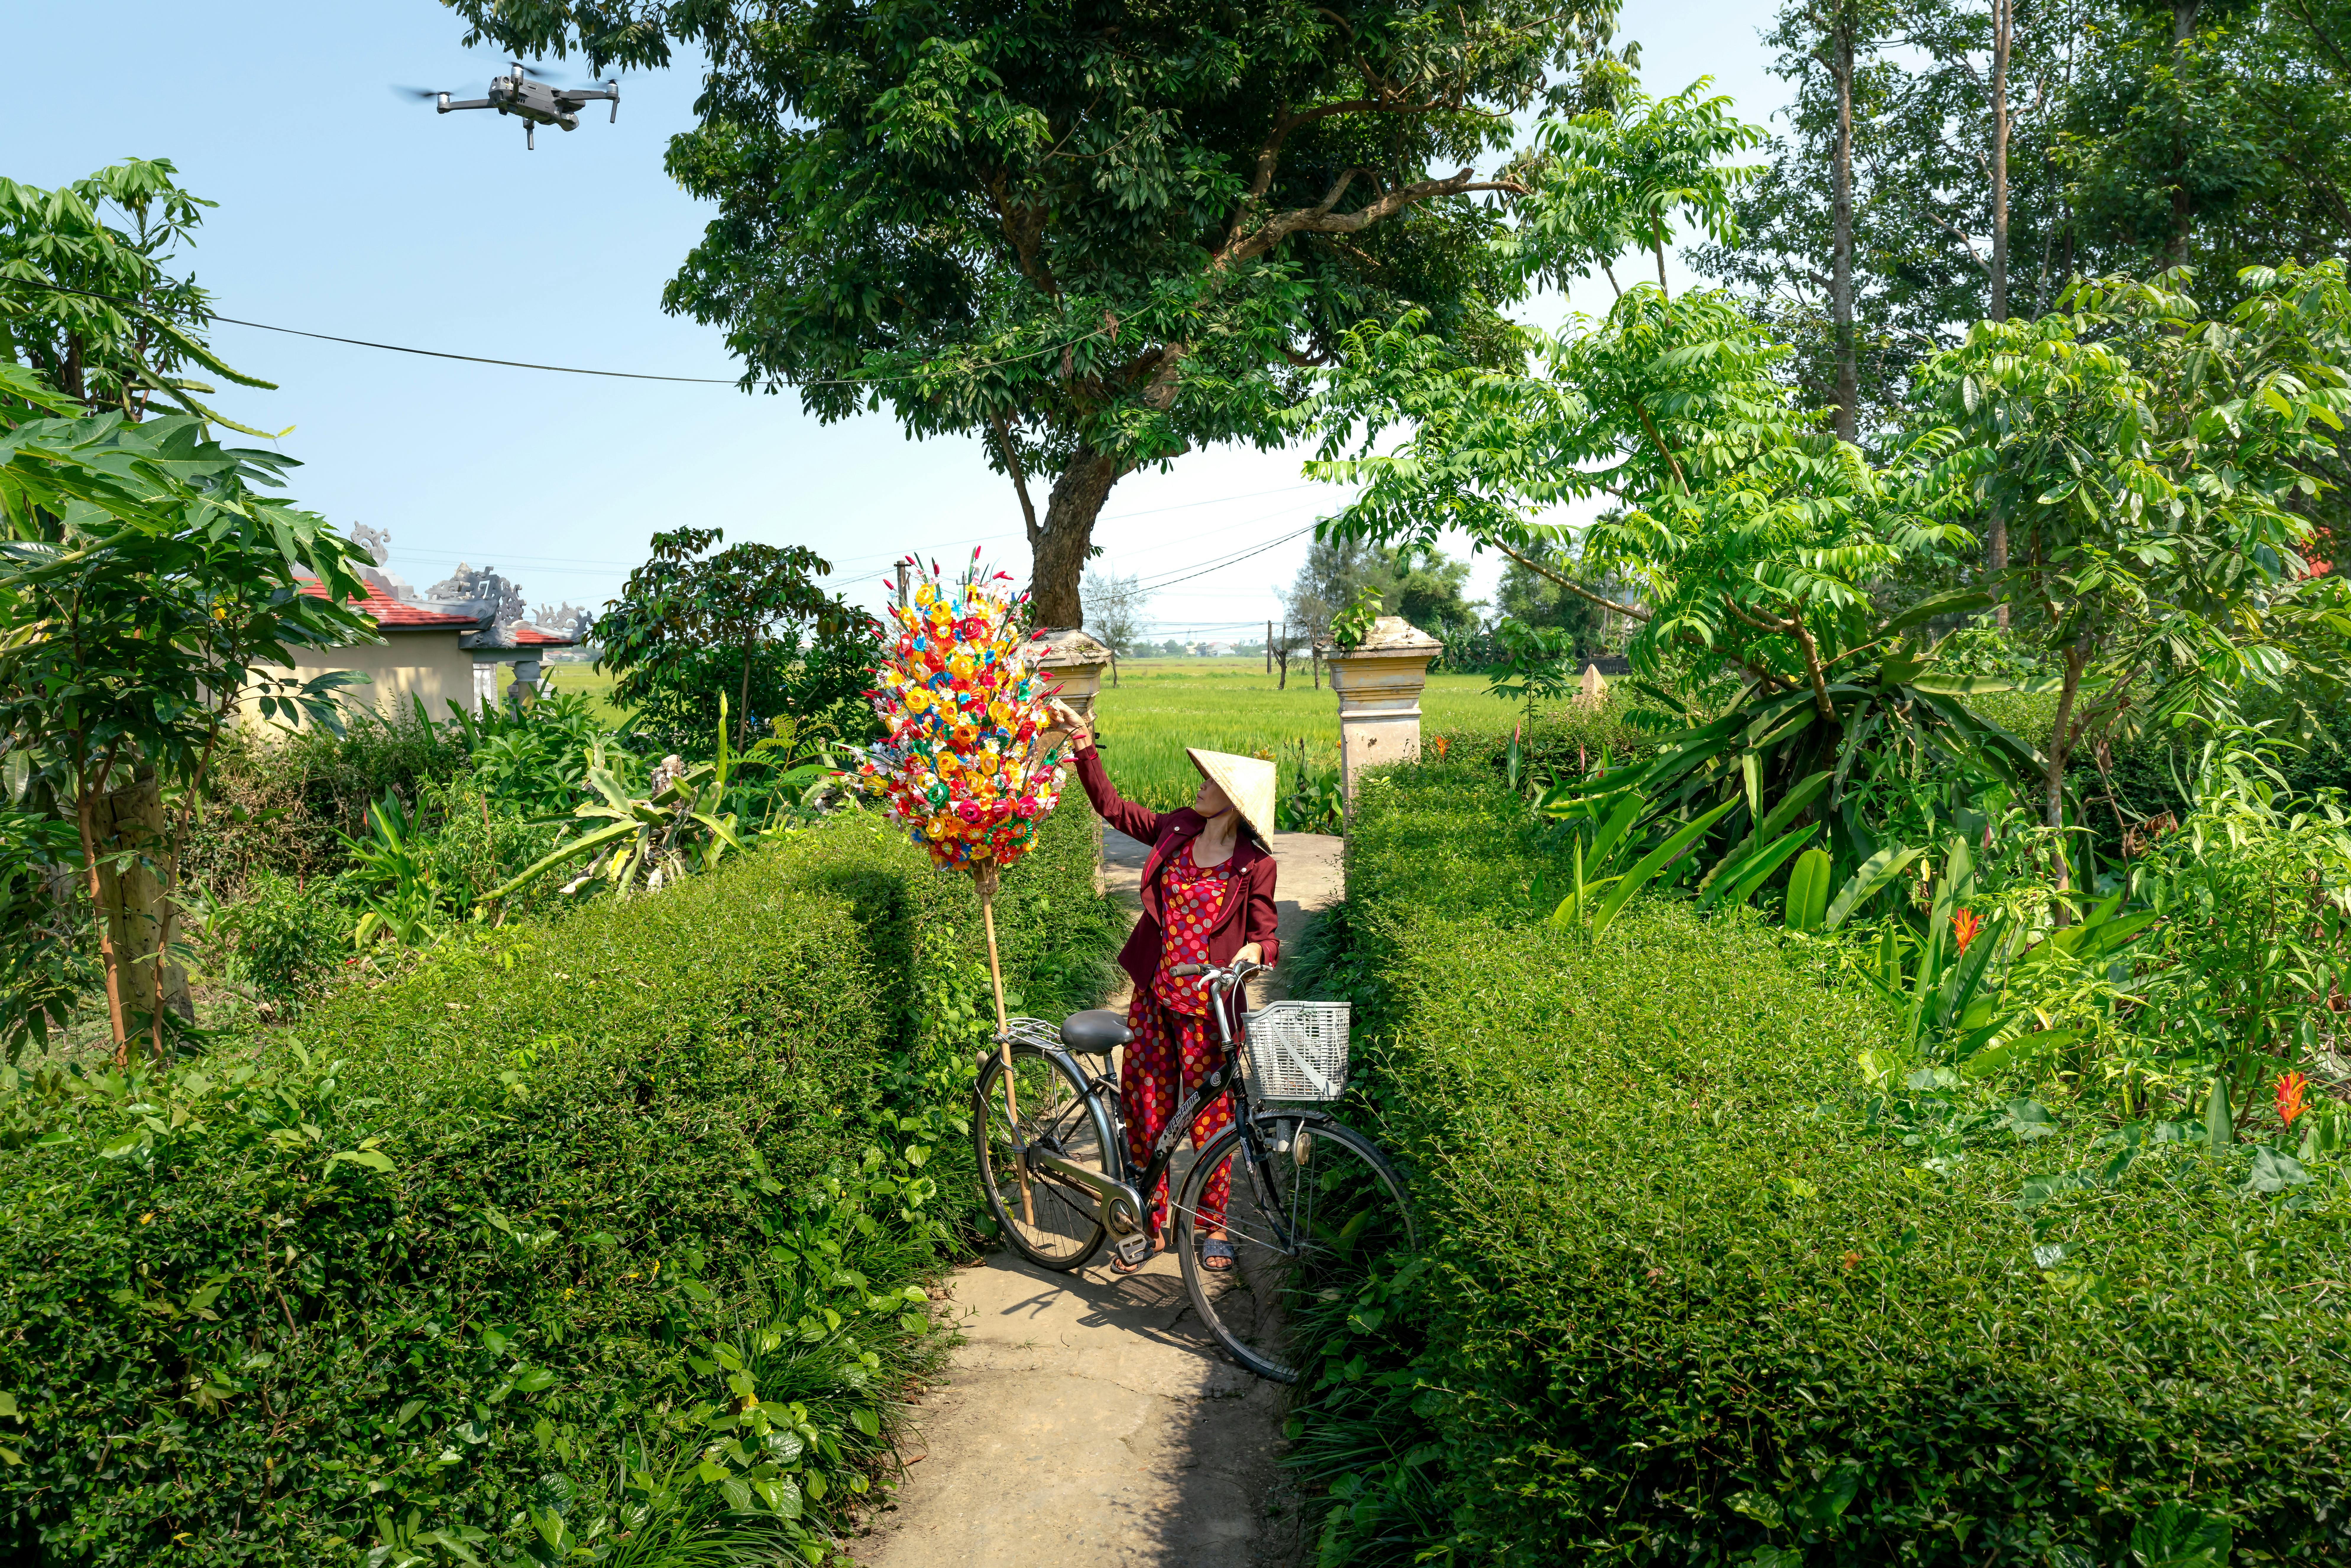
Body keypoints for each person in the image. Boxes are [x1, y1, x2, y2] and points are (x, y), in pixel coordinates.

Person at [1048, 698, 1279, 1274]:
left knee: (1212, 1122)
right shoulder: (1176, 829)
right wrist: (1082, 743)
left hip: (1209, 1012)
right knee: (1148, 1112)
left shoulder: (1254, 864)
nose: (1200, 786)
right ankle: (1149, 1224)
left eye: (1211, 782)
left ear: (1234, 800)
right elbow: (1113, 808)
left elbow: (1265, 934)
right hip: (1154, 998)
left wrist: (1253, 954)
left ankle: (1211, 1227)